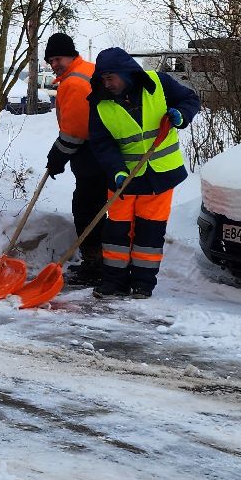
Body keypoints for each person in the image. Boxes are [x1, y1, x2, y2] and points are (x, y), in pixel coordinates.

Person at [84, 48, 201, 298]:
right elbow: (101, 142)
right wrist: (115, 170)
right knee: (116, 232)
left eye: (111, 77)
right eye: (103, 79)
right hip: (123, 178)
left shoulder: (158, 83)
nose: (107, 84)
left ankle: (143, 284)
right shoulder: (100, 104)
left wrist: (180, 116)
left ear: (126, 73)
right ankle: (113, 281)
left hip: (160, 175)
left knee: (149, 232)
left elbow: (190, 100)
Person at [41, 33, 107, 286]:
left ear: (71, 54)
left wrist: (57, 155)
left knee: (86, 208)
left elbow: (77, 130)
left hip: (92, 153)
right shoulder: (87, 70)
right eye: (51, 60)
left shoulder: (75, 82)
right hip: (102, 150)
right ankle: (102, 260)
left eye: (58, 58)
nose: (54, 64)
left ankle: (96, 263)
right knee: (97, 206)